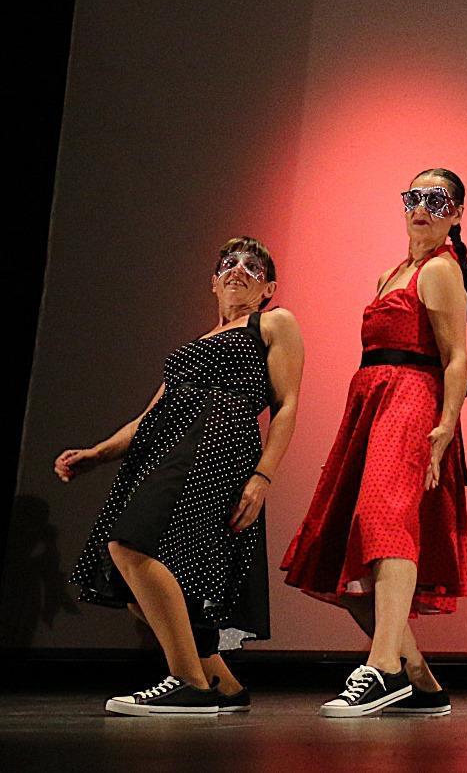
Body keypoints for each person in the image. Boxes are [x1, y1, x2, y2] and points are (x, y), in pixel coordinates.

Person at [59, 237, 303, 716]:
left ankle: (188, 682)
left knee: (130, 546)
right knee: (138, 585)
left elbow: (287, 404)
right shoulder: (195, 346)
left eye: (253, 266)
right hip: (165, 447)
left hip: (216, 443)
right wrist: (96, 454)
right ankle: (223, 685)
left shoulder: (273, 323)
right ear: (213, 281)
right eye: (228, 263)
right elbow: (149, 416)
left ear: (268, 288)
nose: (238, 270)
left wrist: (263, 476)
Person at [281, 169, 467, 717]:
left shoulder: (440, 270)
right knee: (346, 535)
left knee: (386, 519)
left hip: (411, 397)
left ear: (457, 214)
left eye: (437, 200)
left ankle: (385, 667)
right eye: (414, 197)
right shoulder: (391, 273)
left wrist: (446, 424)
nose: (423, 208)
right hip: (370, 400)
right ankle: (419, 681)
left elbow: (456, 357)